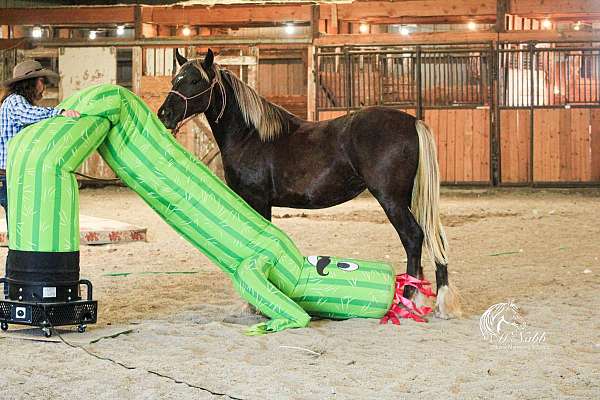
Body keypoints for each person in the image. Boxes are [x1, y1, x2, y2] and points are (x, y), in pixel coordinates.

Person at [0, 60, 80, 229]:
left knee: (20, 221)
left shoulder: (15, 101)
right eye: (42, 81)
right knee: (18, 222)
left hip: (12, 173)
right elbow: (29, 115)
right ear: (31, 83)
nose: (44, 86)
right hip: (9, 174)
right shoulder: (15, 101)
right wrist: (60, 112)